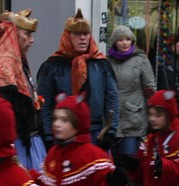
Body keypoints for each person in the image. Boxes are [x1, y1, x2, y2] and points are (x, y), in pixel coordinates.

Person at [38, 10, 119, 148]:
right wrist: (48, 136)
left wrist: (110, 131)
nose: (83, 38)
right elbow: (44, 103)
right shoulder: (52, 65)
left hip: (95, 133)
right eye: (77, 34)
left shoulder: (101, 64)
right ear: (67, 36)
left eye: (86, 34)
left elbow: (112, 98)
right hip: (62, 136)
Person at [0, 9, 46, 171]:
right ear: (13, 35)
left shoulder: (15, 61)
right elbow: (2, 116)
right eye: (27, 35)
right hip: (16, 146)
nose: (32, 40)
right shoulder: (2, 66)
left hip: (28, 141)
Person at [107, 25, 156, 163]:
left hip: (134, 118)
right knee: (112, 163)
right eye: (121, 39)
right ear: (114, 42)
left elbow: (150, 88)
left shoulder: (140, 59)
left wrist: (153, 113)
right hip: (112, 119)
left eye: (128, 39)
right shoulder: (107, 61)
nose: (124, 43)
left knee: (129, 161)